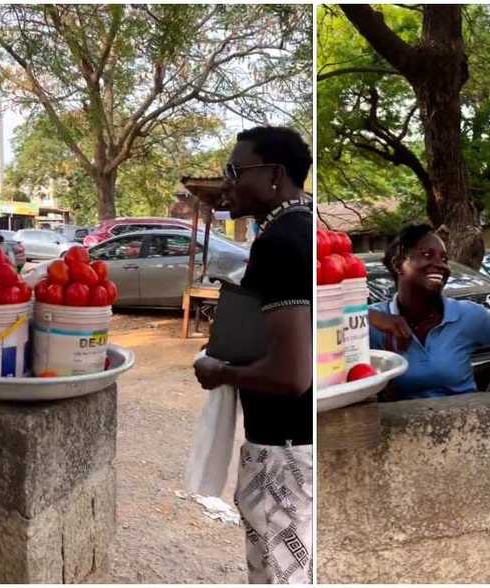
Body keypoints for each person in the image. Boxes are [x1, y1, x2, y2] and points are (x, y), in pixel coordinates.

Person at [192, 126, 313, 584]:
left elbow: (290, 374)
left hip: (284, 453)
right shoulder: (307, 228)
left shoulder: (280, 242)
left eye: (235, 170)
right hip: (301, 443)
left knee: (279, 576)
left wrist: (219, 371)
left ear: (275, 175)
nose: (227, 182)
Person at [368, 225, 490, 400]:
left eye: (444, 259)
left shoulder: (465, 315)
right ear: (398, 264)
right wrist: (368, 317)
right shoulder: (376, 322)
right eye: (427, 255)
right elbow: (334, 331)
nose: (440, 265)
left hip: (465, 421)